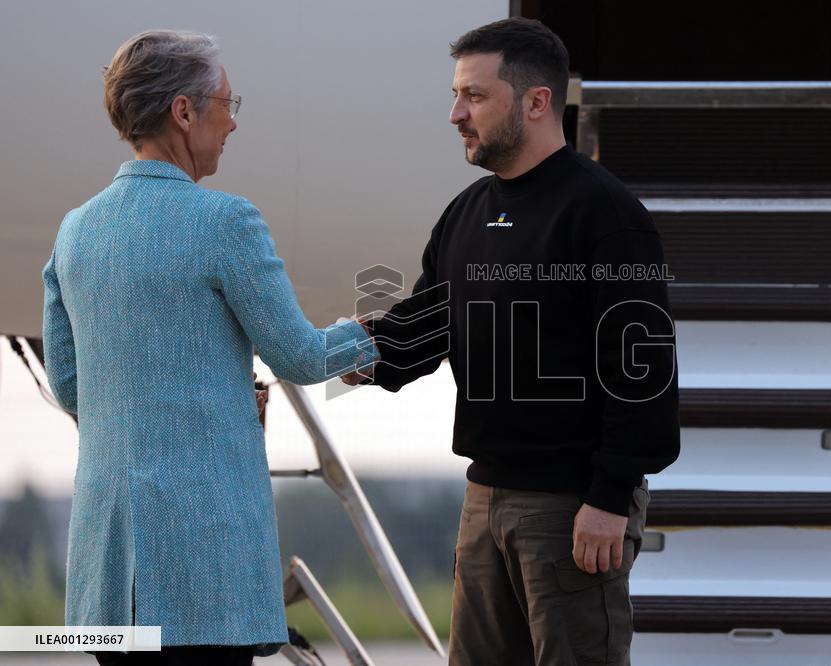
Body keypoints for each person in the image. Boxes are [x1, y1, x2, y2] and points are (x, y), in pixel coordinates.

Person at [345, 17, 680, 666]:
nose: (454, 114)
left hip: (571, 507)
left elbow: (644, 372)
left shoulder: (604, 213)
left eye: (473, 96)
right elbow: (422, 332)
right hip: (484, 501)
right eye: (456, 95)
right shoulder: (467, 212)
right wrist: (327, 351)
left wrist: (610, 498)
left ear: (535, 102)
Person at [41, 30, 376, 665]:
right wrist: (371, 335)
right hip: (202, 570)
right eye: (227, 102)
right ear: (183, 112)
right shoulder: (225, 221)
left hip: (109, 570)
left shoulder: (74, 229)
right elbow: (302, 357)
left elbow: (67, 384)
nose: (232, 121)